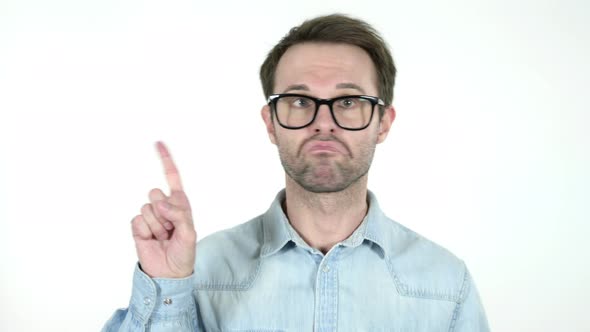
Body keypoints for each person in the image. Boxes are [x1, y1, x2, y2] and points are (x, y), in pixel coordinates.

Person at [103, 14, 490, 332]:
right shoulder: (197, 271)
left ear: (383, 123)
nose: (323, 122)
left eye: (350, 100)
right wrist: (167, 286)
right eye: (300, 101)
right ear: (271, 123)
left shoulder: (446, 285)